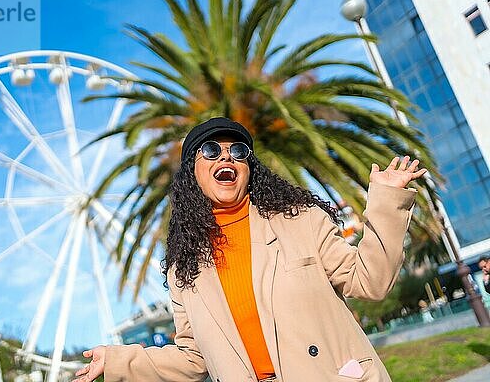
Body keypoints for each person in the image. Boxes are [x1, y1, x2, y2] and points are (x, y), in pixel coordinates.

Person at [74, 117, 427, 382]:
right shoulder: (185, 271)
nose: (226, 157)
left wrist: (386, 202)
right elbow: (193, 358)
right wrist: (120, 361)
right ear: (191, 171)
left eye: (238, 152)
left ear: (248, 168)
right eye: (211, 150)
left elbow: (370, 282)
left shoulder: (300, 220)